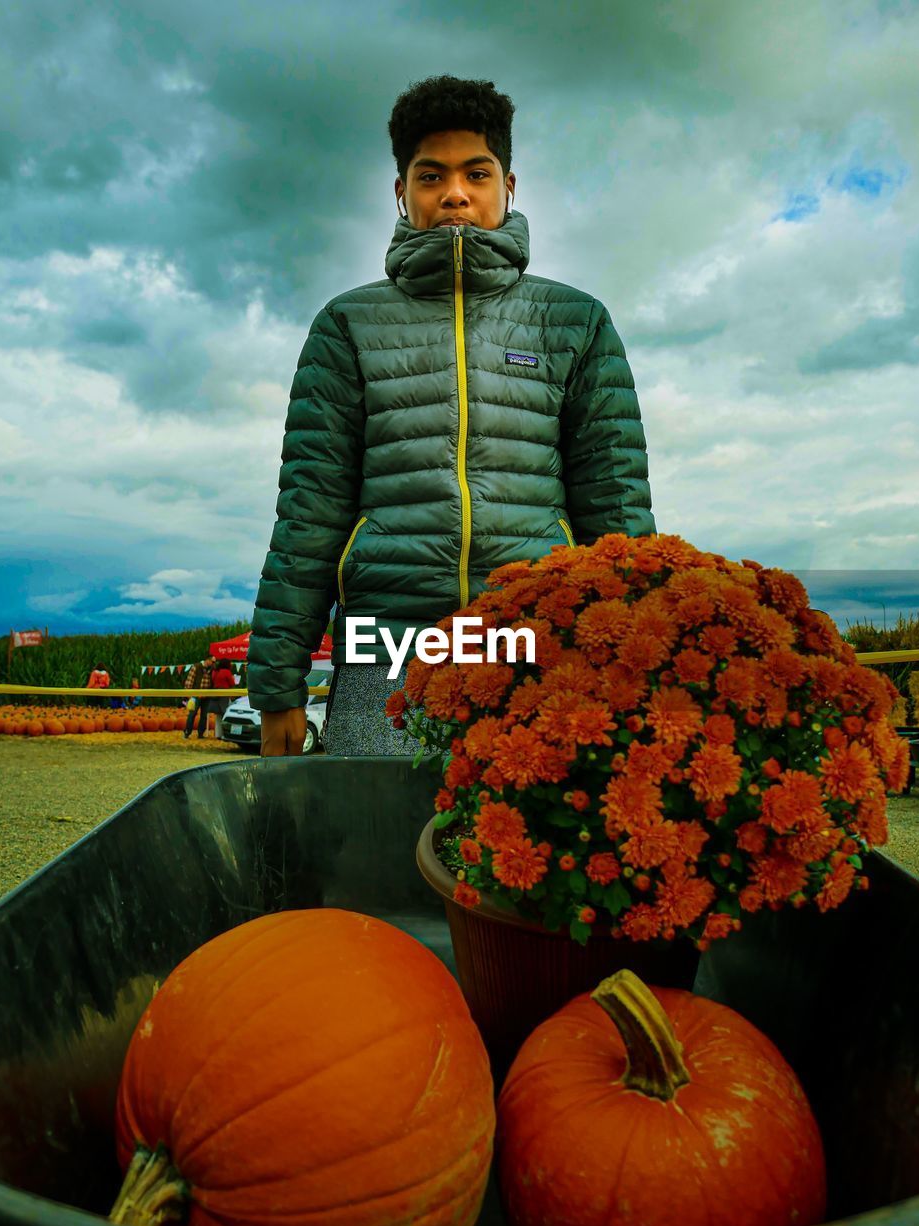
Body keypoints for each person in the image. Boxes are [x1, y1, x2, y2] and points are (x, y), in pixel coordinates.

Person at [249, 75, 655, 757]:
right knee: (373, 848)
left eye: (476, 172)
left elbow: (616, 509)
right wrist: (276, 688)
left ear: (508, 185)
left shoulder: (575, 321)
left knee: (520, 852)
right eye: (430, 174)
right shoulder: (347, 325)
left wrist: (643, 659)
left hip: (533, 643)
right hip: (387, 645)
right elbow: (308, 513)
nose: (454, 193)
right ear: (401, 192)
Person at [183, 656, 216, 739]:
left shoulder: (212, 669)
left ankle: (201, 733)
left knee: (204, 715)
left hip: (207, 695)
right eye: (212, 662)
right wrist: (188, 694)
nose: (213, 664)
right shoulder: (196, 667)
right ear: (207, 660)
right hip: (196, 694)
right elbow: (189, 680)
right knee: (192, 714)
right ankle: (187, 732)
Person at [210, 659, 238, 738]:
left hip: (215, 694)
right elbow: (232, 683)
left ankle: (217, 734)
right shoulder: (227, 672)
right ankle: (225, 733)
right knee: (226, 714)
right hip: (224, 695)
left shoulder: (215, 671)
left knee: (218, 716)